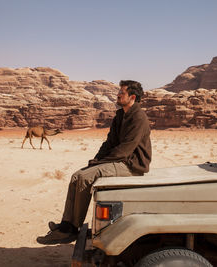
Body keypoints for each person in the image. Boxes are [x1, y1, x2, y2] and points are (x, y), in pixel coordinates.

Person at [37, 80, 152, 245]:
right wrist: (96, 160)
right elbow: (109, 143)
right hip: (119, 160)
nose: (117, 95)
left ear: (132, 97)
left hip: (132, 165)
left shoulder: (139, 117)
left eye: (121, 93)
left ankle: (72, 229)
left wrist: (102, 162)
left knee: (85, 178)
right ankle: (66, 225)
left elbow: (126, 148)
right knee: (77, 176)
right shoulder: (121, 115)